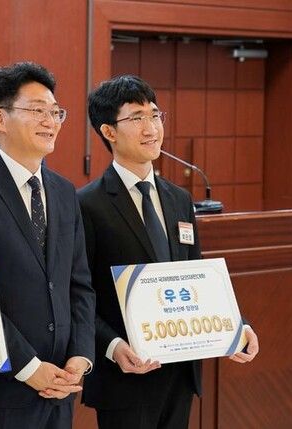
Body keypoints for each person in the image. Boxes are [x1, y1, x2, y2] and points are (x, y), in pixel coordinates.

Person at [78, 74, 259, 429]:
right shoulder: (86, 204)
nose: (151, 128)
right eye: (137, 118)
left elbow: (196, 277)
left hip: (179, 372)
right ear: (109, 131)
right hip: (125, 376)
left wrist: (237, 328)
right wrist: (112, 346)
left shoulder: (179, 199)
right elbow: (80, 293)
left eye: (155, 115)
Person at [0, 62, 96, 429]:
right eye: (37, 110)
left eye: (55, 112)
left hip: (60, 386)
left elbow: (79, 285)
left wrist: (80, 357)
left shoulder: (64, 191)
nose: (50, 121)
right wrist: (29, 367)